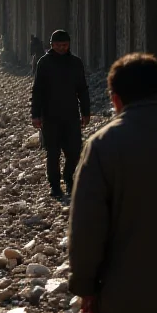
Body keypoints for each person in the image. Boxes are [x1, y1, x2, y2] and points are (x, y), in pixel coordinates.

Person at [69, 53, 157, 313]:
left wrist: (85, 289)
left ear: (115, 100)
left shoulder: (101, 146)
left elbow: (87, 228)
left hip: (127, 302)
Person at [31, 30, 91, 198]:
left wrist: (86, 112)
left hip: (71, 114)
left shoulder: (75, 63)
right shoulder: (44, 63)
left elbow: (82, 89)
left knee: (74, 150)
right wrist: (35, 114)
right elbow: (37, 90)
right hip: (50, 116)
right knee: (53, 152)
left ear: (69, 44)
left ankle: (69, 178)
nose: (61, 48)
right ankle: (55, 185)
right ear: (51, 45)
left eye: (64, 45)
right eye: (58, 45)